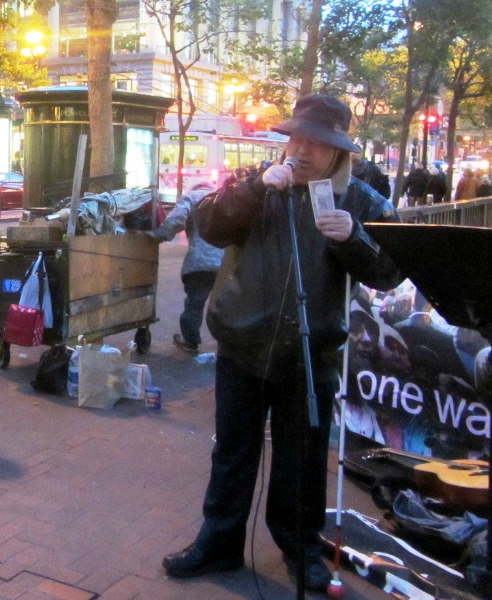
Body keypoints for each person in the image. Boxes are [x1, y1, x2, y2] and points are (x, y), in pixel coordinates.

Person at [161, 94, 402, 592]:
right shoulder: (260, 182)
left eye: (319, 142)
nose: (304, 150)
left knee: (303, 460)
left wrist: (353, 237)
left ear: (340, 151)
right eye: (297, 138)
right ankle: (219, 542)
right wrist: (250, 191)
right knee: (232, 451)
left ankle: (300, 548)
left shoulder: (359, 200)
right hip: (242, 342)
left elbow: (390, 271)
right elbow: (209, 225)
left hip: (309, 355)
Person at [149, 182, 224, 354]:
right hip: (224, 262)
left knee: (195, 303)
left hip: (199, 262)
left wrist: (159, 236)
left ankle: (190, 341)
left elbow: (176, 219)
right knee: (224, 304)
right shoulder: (224, 197)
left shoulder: (191, 197)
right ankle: (226, 342)